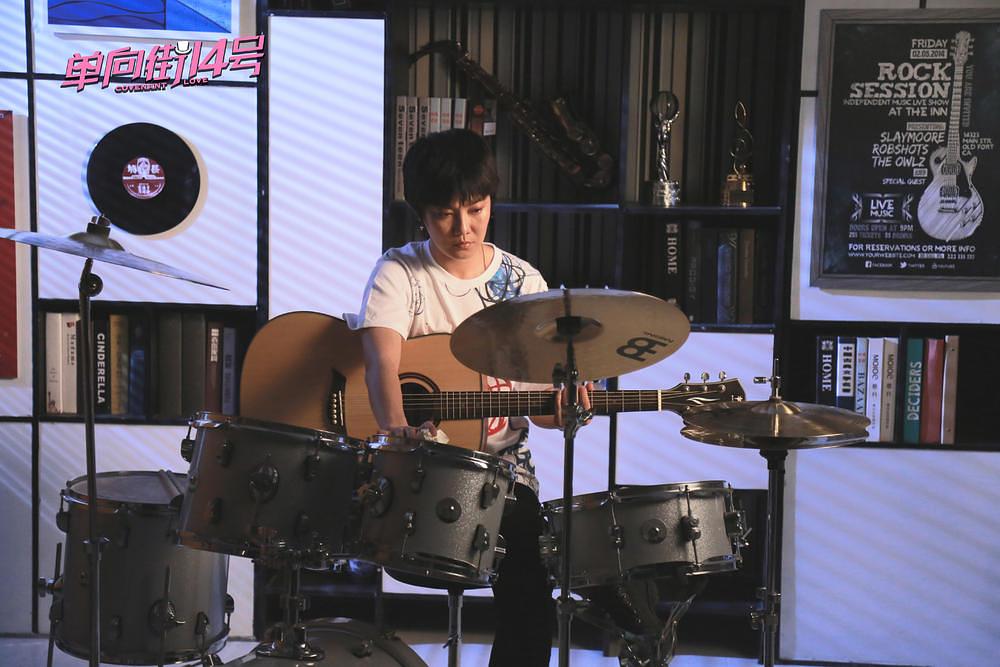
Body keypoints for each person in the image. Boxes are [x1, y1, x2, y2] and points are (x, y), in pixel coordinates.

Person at [348, 128, 590, 666]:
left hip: (504, 474)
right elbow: (381, 364)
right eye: (444, 214)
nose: (463, 229)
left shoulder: (523, 282)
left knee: (530, 580)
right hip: (414, 464)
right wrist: (398, 433)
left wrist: (563, 409)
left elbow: (541, 410)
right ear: (420, 213)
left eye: (476, 210)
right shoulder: (400, 273)